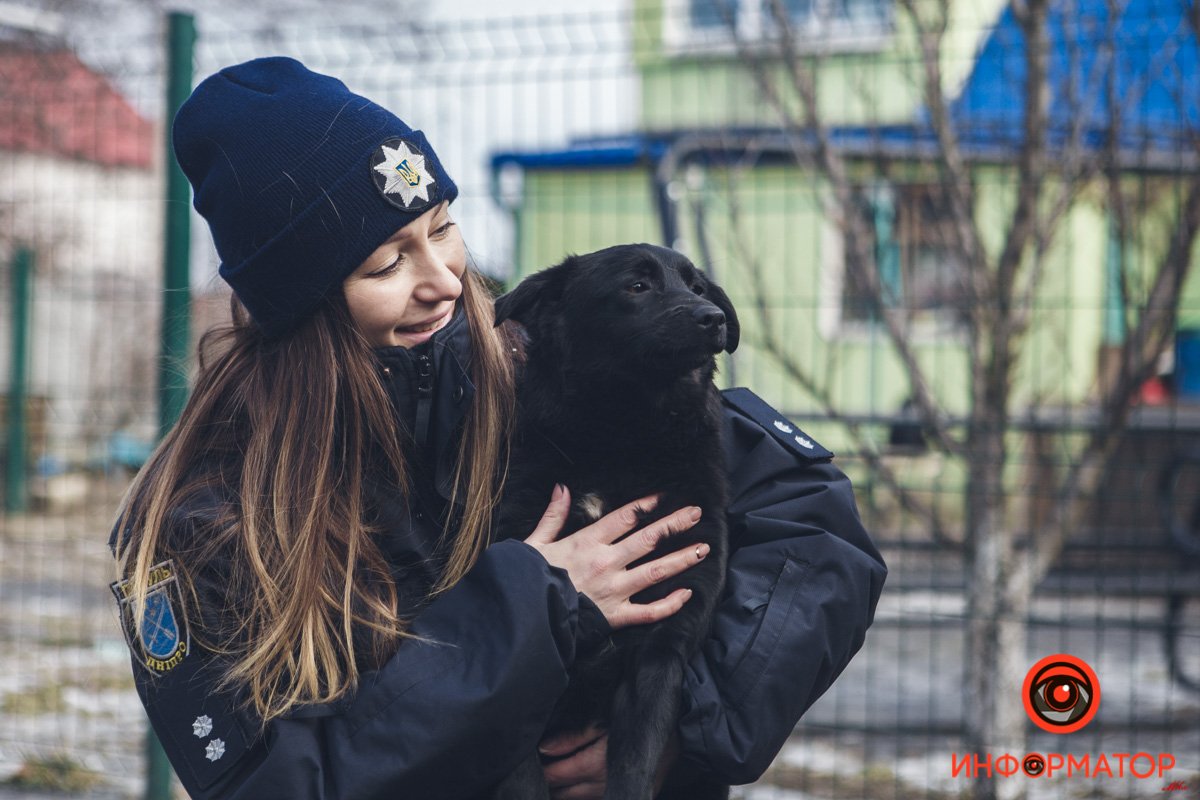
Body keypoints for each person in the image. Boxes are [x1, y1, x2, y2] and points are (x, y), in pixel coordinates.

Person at [110, 56, 886, 800]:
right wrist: (530, 609)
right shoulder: (200, 520)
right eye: (387, 265)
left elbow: (816, 530)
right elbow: (273, 783)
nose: (445, 281)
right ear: (299, 303)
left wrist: (678, 722)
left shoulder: (538, 364)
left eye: (442, 228)